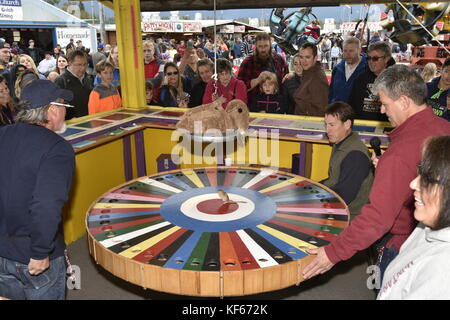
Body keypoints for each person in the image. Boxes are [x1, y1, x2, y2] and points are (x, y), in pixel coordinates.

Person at [303, 65, 450, 283]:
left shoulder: (399, 154)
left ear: (404, 101)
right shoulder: (444, 127)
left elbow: (377, 218)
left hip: (400, 245)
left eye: (384, 103)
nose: (382, 110)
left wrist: (332, 253)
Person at [0, 79, 75, 300]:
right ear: (52, 109)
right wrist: (41, 251)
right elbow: (46, 204)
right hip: (33, 256)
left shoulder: (2, 134)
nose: (65, 113)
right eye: (63, 106)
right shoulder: (57, 148)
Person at [378, 135, 450, 299]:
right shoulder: (426, 224)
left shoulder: (443, 271)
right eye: (420, 171)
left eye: (427, 178)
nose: (413, 184)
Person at [320, 102, 373, 220]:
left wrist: (312, 199)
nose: (327, 130)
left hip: (351, 217)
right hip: (340, 209)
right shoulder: (340, 143)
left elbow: (344, 195)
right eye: (326, 125)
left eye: (332, 125)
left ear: (347, 124)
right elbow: (333, 180)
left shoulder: (355, 155)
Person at [237, 32, 289, 107]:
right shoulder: (247, 62)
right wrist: (258, 80)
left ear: (270, 45)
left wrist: (291, 75)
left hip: (277, 108)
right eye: (260, 46)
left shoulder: (279, 60)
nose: (263, 49)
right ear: (256, 47)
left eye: (266, 46)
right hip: (254, 108)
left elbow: (285, 79)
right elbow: (239, 88)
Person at [348, 41, 393, 121]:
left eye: (375, 59)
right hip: (363, 127)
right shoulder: (360, 79)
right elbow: (352, 105)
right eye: (368, 58)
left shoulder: (397, 79)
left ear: (386, 59)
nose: (371, 62)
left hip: (388, 128)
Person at [55, 49, 94, 119]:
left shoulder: (88, 78)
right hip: (72, 125)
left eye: (85, 64)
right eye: (79, 65)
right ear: (69, 63)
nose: (83, 68)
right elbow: (56, 106)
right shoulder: (61, 81)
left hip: (89, 120)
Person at [293, 42, 328, 116]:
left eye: (307, 57)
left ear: (315, 58)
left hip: (309, 124)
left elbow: (321, 110)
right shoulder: (308, 70)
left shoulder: (318, 79)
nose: (303, 61)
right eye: (301, 57)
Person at [328, 37, 367, 104]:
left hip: (357, 113)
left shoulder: (368, 69)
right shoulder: (337, 69)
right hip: (337, 112)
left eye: (351, 51)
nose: (347, 54)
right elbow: (331, 93)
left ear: (359, 50)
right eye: (345, 51)